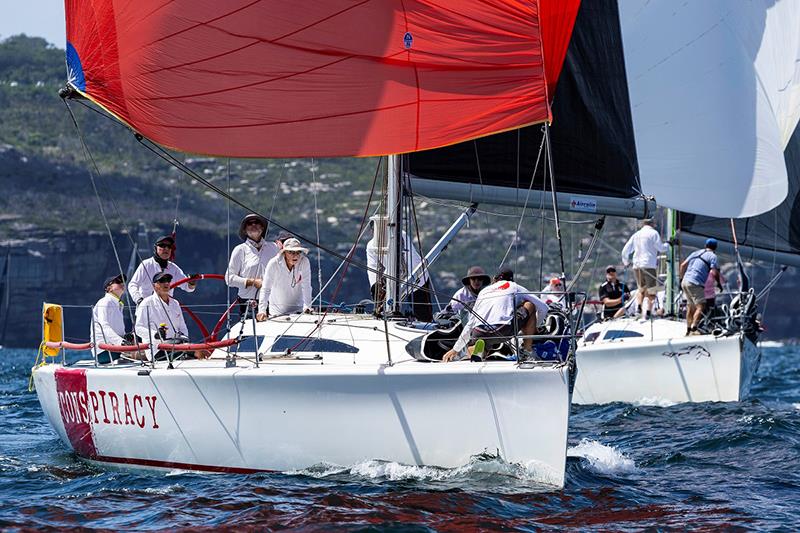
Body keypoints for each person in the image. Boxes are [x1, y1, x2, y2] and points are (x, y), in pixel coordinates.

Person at [443, 269, 549, 362]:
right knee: (529, 304)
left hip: (479, 332)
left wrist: (455, 349)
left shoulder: (483, 291)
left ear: (494, 279)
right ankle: (527, 351)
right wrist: (535, 327)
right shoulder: (514, 286)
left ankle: (476, 350)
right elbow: (543, 307)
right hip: (503, 329)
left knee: (479, 338)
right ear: (511, 279)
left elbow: (470, 324)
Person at [366, 217, 432, 321]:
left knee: (423, 316)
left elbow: (403, 263)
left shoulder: (400, 235)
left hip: (417, 277)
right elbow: (372, 269)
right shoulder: (371, 246)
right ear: (372, 231)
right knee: (383, 311)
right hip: (392, 278)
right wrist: (376, 291)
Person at [135, 272, 209, 360]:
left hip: (177, 346)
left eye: (168, 280)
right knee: (197, 352)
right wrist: (155, 334)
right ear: (154, 285)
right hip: (157, 350)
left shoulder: (175, 303)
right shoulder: (146, 303)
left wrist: (184, 342)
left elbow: (182, 327)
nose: (166, 283)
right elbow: (138, 328)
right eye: (162, 281)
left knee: (202, 351)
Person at [225, 214, 279, 316]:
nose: (253, 225)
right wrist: (252, 282)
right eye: (249, 224)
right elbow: (229, 278)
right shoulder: (240, 250)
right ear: (245, 230)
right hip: (248, 303)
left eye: (257, 223)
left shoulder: (274, 248)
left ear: (262, 228)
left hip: (273, 301)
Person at [621, 219, 668, 320]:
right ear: (653, 224)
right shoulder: (654, 233)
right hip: (649, 265)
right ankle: (647, 312)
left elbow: (625, 250)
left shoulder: (636, 234)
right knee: (652, 291)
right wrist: (668, 244)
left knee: (641, 288)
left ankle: (638, 307)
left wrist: (626, 262)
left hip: (637, 265)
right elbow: (661, 248)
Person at [128, 235, 196, 305]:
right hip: (147, 309)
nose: (166, 248)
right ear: (155, 248)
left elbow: (188, 288)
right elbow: (132, 285)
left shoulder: (174, 268)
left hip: (166, 309)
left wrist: (192, 282)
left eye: (169, 246)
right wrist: (139, 300)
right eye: (162, 245)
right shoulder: (146, 265)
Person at [256, 238, 313, 320]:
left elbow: (306, 286)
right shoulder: (273, 263)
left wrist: (307, 306)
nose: (295, 255)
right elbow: (266, 288)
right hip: (277, 313)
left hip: (299, 312)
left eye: (298, 252)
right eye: (291, 252)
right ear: (284, 253)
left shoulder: (304, 261)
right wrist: (262, 310)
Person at [680, 238, 722, 335]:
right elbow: (714, 272)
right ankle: (694, 328)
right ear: (715, 247)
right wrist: (719, 284)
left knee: (691, 306)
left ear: (705, 246)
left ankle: (688, 329)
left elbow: (682, 265)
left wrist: (681, 280)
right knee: (701, 306)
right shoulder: (713, 256)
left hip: (685, 281)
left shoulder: (695, 252)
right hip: (695, 283)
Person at [90, 274, 127, 364]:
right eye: (118, 282)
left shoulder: (118, 304)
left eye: (123, 282)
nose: (122, 283)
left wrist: (125, 337)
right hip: (104, 351)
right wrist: (121, 342)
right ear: (109, 288)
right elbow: (104, 326)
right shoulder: (105, 301)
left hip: (115, 349)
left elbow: (116, 328)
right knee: (142, 353)